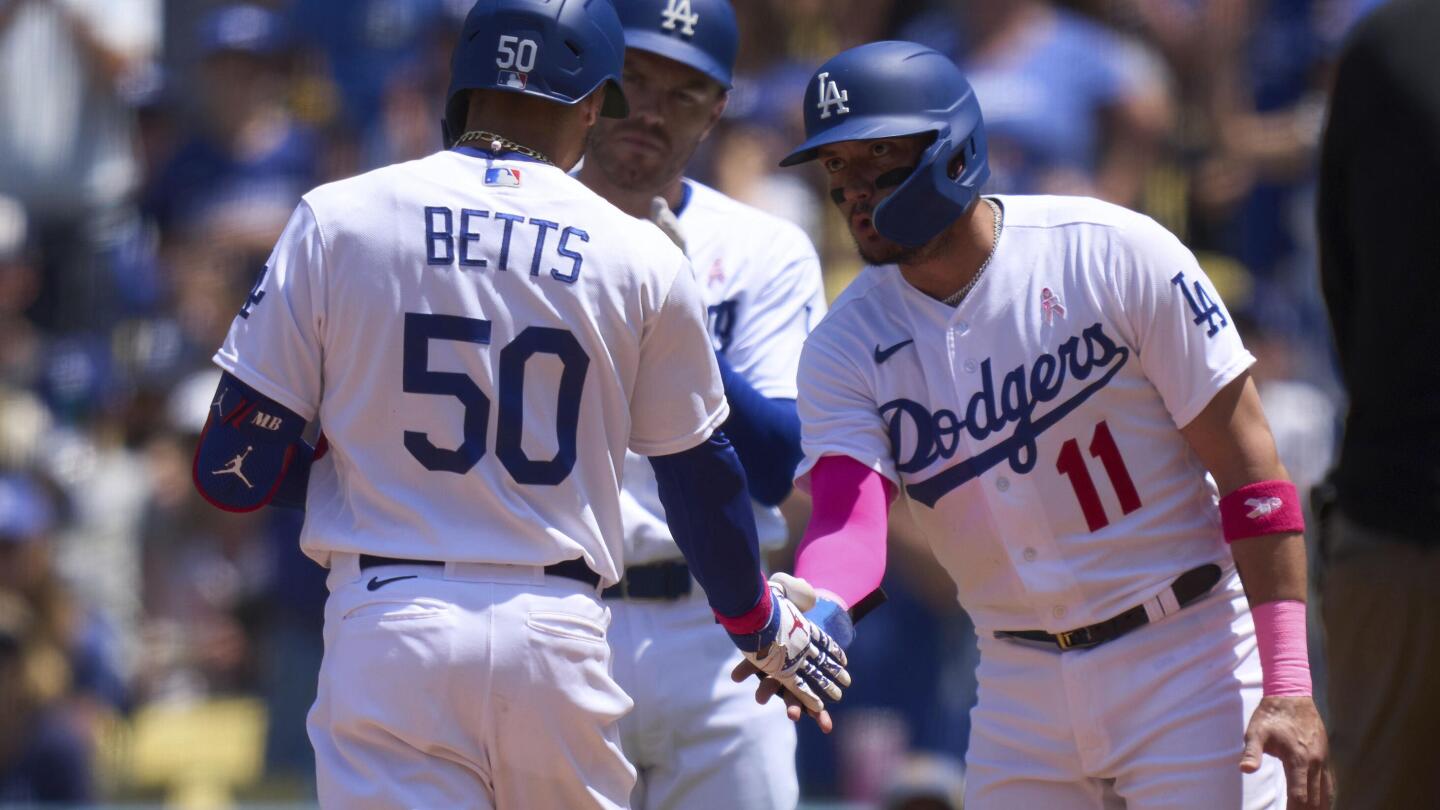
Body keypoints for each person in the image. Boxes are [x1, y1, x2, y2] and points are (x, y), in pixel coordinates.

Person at [188, 1, 849, 807]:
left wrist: (355, 464)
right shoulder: (638, 250)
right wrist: (758, 626)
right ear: (590, 104)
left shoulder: (342, 214)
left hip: (392, 615)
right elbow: (703, 475)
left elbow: (232, 469)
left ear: (460, 83)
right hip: (561, 621)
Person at [755, 40, 1331, 809]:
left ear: (952, 148)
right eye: (836, 169)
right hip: (1019, 687)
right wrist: (819, 608)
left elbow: (1253, 472)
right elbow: (848, 514)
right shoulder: (845, 345)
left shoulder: (1111, 251)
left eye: (876, 158)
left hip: (1189, 655)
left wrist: (1289, 681)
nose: (854, 191)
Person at [576, 1, 828, 808]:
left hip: (718, 625)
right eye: (633, 80)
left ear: (718, 108)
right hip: (559, 616)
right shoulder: (516, 229)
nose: (649, 109)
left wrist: (675, 313)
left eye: (683, 92)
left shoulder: (762, 248)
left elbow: (778, 464)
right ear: (590, 82)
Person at [1315, 2, 1440, 807]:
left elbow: (1342, 284)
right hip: (1403, 526)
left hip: (1398, 515)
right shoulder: (1394, 46)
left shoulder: (1390, 44)